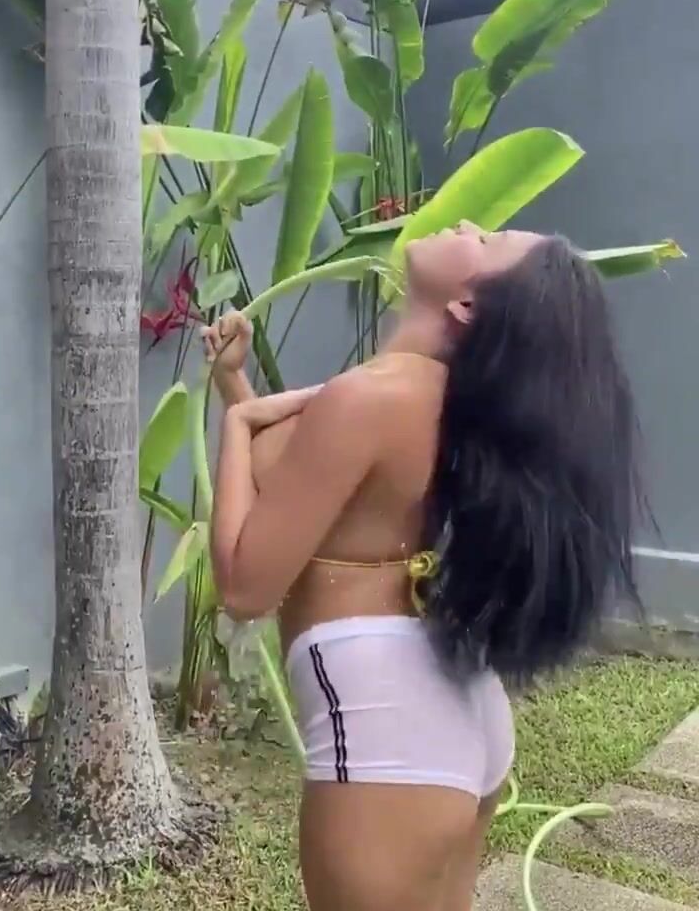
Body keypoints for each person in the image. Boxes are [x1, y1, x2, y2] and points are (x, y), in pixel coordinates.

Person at [201, 221, 643, 911]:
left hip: (388, 727)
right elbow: (309, 486)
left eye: (487, 241)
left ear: (466, 304)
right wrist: (235, 383)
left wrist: (234, 426)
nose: (467, 224)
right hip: (452, 713)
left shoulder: (370, 398)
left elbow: (244, 585)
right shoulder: (439, 401)